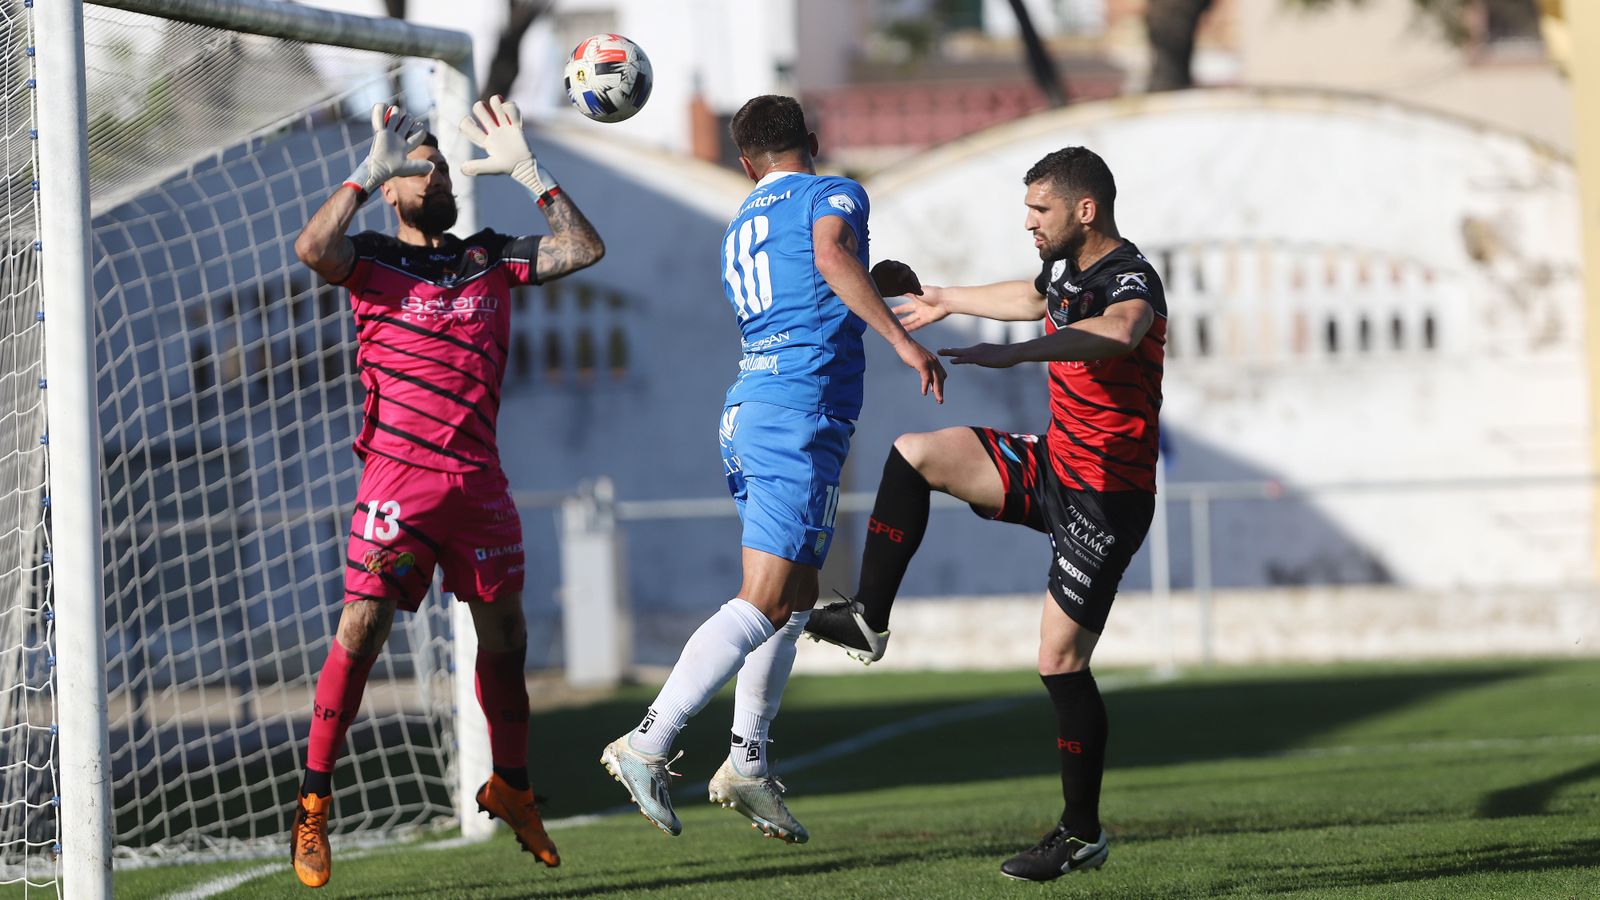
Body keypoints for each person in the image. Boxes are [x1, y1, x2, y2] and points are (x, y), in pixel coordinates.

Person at [803, 146, 1165, 881]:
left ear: (1084, 210)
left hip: (1106, 496)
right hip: (1059, 463)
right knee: (915, 452)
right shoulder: (1067, 270)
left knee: (1059, 662)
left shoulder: (1130, 276)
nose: (1028, 222)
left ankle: (1081, 833)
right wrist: (946, 297)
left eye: (1040, 210)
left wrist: (1021, 356)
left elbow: (1121, 330)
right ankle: (870, 616)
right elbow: (1035, 297)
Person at [599, 95, 945, 844]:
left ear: (745, 162)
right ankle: (647, 741)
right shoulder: (835, 191)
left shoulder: (739, 225)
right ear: (812, 142)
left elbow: (809, 289)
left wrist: (869, 283)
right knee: (763, 598)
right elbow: (826, 256)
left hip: (753, 408)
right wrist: (901, 340)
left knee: (790, 600)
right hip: (798, 411)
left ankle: (747, 765)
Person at [288, 98, 604, 888]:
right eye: (417, 166)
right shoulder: (369, 260)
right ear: (393, 189)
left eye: (439, 165)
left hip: (479, 485)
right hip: (398, 479)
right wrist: (366, 172)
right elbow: (310, 246)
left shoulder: (491, 258)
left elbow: (585, 247)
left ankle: (513, 786)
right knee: (361, 627)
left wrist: (532, 171)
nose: (435, 175)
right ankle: (314, 805)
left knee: (509, 640)